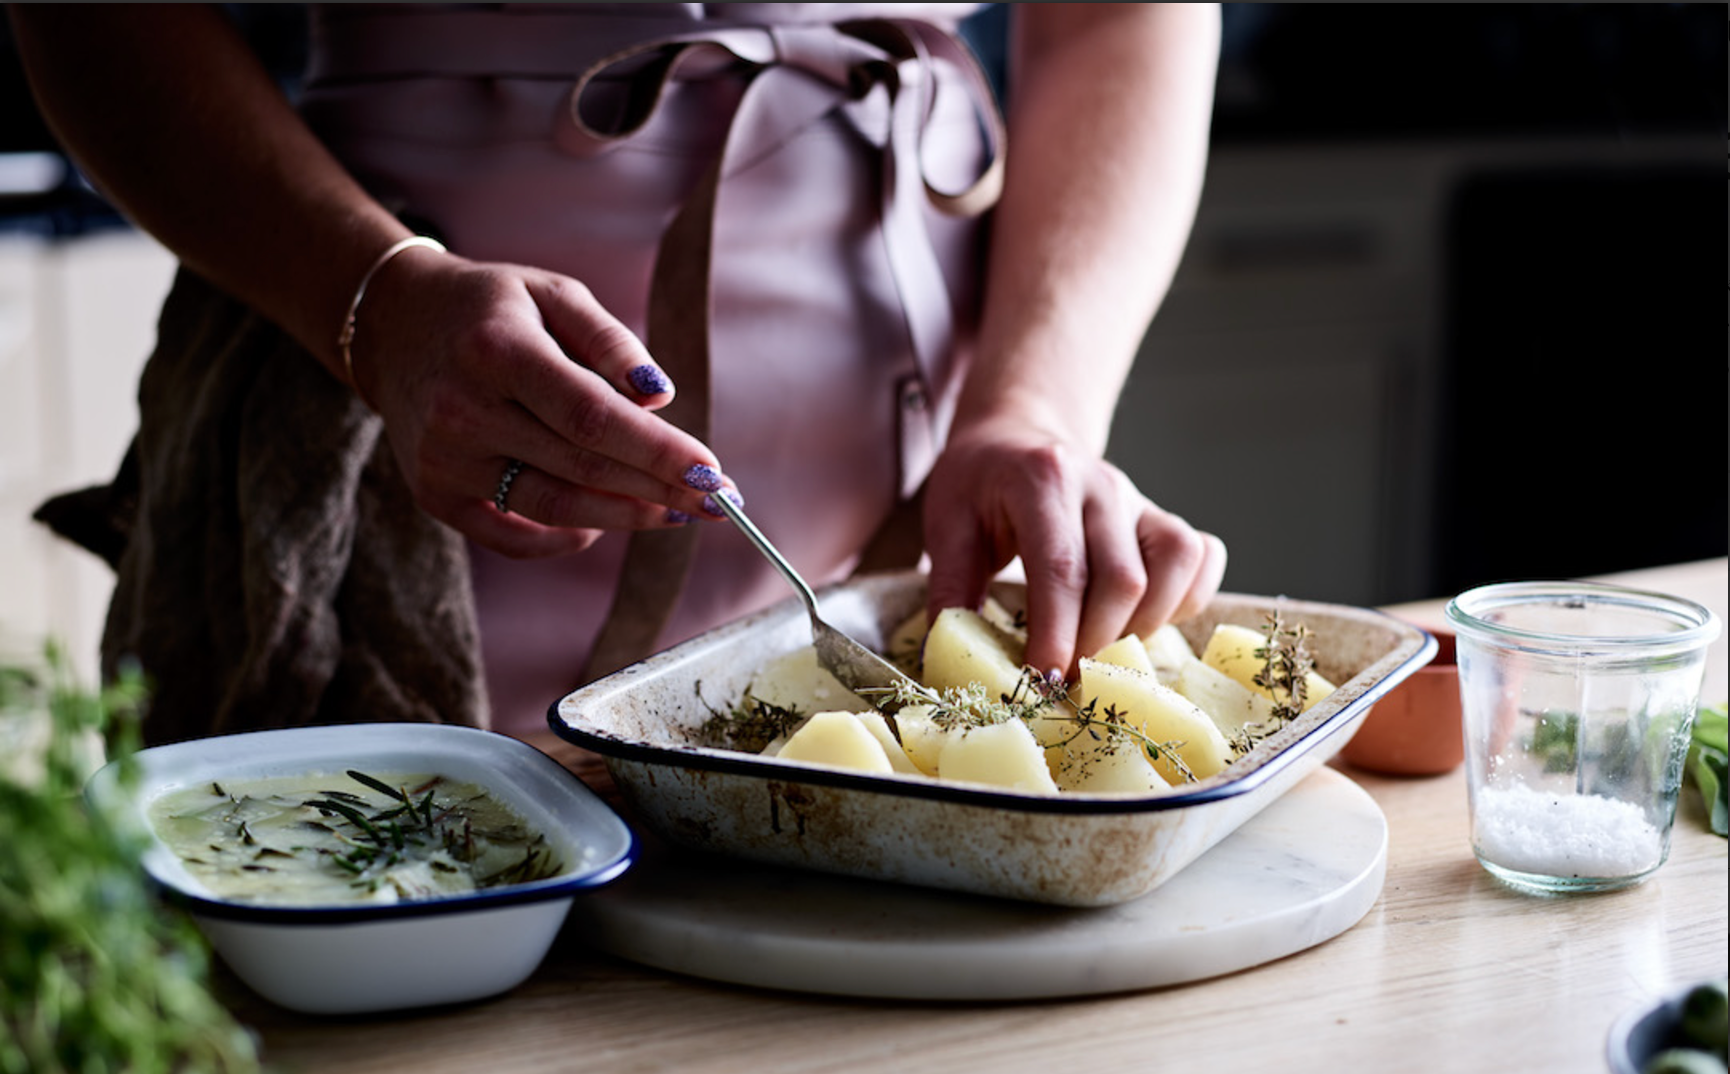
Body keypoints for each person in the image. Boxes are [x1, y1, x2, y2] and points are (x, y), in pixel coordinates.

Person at [13, 2, 1226, 743]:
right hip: (400, 444)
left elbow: (1118, 15)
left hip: (919, 463)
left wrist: (1030, 402)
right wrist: (375, 307)